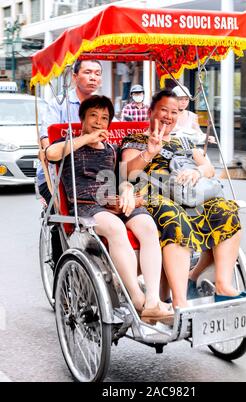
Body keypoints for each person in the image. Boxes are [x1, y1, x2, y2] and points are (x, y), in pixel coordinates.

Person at [46, 95, 173, 320]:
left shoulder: (111, 150)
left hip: (113, 200)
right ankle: (136, 297)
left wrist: (125, 190)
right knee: (116, 227)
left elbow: (122, 177)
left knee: (147, 225)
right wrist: (86, 138)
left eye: (104, 118)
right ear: (82, 118)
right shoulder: (68, 144)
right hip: (86, 207)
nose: (98, 121)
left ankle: (153, 300)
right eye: (93, 115)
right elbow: (51, 155)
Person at [121, 90, 244, 308]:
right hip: (154, 196)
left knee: (225, 209)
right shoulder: (136, 140)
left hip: (189, 194)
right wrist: (149, 152)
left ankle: (223, 285)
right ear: (151, 112)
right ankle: (179, 300)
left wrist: (198, 172)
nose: (169, 116)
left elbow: (208, 167)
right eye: (164, 110)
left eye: (174, 112)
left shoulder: (184, 142)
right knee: (173, 217)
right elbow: (127, 173)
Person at [36, 59, 103, 264]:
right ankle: (61, 272)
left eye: (98, 73)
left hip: (92, 174)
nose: (93, 77)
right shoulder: (57, 106)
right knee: (62, 215)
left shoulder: (102, 105)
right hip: (57, 176)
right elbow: (48, 148)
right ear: (75, 77)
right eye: (88, 72)